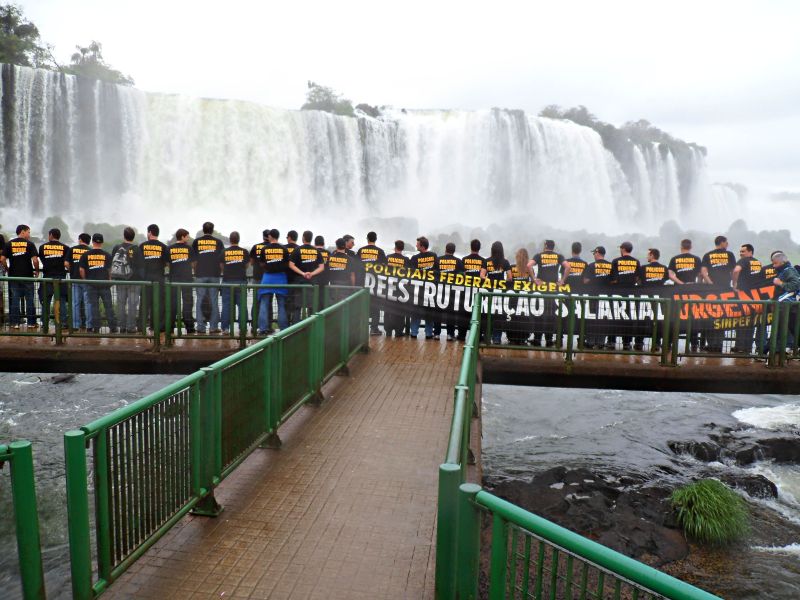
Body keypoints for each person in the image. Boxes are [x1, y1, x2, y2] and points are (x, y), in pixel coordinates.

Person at [527, 240, 568, 347]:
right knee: (550, 315)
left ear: (545, 246)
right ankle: (549, 340)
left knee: (539, 315)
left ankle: (537, 339)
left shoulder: (539, 255)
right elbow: (568, 267)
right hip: (553, 290)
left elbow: (528, 266)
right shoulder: (559, 256)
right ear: (553, 247)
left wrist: (534, 279)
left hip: (541, 290)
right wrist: (562, 280)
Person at [700, 236, 736, 352]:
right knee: (722, 315)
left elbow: (704, 273)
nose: (728, 244)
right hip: (725, 289)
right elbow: (733, 271)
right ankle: (719, 344)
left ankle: (711, 344)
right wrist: (733, 284)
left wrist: (711, 284)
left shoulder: (707, 255)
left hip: (711, 291)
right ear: (721, 243)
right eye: (726, 242)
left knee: (710, 315)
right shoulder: (729, 255)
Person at [667, 239, 702, 350]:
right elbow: (701, 275)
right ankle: (694, 344)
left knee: (674, 316)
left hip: (677, 291)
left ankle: (669, 344)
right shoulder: (696, 259)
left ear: (681, 246)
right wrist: (696, 284)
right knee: (693, 317)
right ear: (691, 246)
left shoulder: (674, 259)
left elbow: (671, 276)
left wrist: (682, 284)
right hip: (692, 291)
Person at [2, 225, 40, 328]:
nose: (29, 234)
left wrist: (7, 268)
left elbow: (2, 259)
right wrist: (37, 270)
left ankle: (15, 323)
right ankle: (31, 323)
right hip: (27, 276)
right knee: (30, 299)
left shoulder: (9, 244)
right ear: (22, 232)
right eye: (28, 232)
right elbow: (35, 260)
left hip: (14, 276)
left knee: (14, 299)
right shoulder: (30, 244)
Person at [79, 233, 117, 333]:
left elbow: (81, 270)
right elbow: (110, 271)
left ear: (92, 242)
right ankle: (112, 327)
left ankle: (96, 328)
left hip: (91, 284)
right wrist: (109, 281)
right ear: (102, 242)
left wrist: (85, 280)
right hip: (104, 285)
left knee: (94, 307)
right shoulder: (107, 255)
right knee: (108, 306)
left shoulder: (86, 255)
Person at [192, 222, 224, 334]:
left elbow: (194, 261)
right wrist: (219, 272)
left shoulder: (197, 242)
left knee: (199, 300)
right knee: (214, 301)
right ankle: (213, 327)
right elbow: (221, 262)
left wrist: (196, 272)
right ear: (213, 230)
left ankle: (200, 327)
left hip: (200, 274)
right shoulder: (218, 243)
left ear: (203, 230)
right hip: (214, 274)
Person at [731, 244, 763, 353]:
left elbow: (736, 271)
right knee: (751, 322)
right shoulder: (758, 262)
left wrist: (734, 283)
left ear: (750, 251)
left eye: (743, 251)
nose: (741, 253)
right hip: (755, 297)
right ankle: (747, 347)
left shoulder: (743, 261)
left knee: (741, 321)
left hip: (743, 295)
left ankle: (739, 347)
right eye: (740, 251)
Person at [112, 227, 144, 333]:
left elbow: (112, 264)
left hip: (120, 280)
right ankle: (131, 327)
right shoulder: (136, 249)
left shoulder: (117, 247)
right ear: (133, 237)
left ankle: (121, 326)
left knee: (120, 303)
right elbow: (140, 267)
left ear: (124, 235)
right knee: (132, 304)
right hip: (134, 281)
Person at [610, 241, 641, 350]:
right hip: (631, 295)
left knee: (613, 317)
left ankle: (611, 342)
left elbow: (612, 279)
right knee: (629, 319)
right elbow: (638, 279)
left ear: (623, 249)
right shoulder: (636, 262)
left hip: (617, 294)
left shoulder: (615, 261)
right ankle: (627, 343)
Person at [257, 229, 289, 334]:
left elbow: (261, 264)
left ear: (270, 236)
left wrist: (269, 265)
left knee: (264, 303)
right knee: (281, 304)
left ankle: (263, 328)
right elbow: (287, 263)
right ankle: (283, 329)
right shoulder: (284, 249)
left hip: (267, 278)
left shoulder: (265, 249)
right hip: (281, 278)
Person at [636, 248, 668, 351]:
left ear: (652, 255)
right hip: (659, 299)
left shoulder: (643, 268)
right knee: (658, 322)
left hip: (645, 298)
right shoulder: (664, 268)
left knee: (642, 320)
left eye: (648, 255)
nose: (647, 257)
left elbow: (638, 280)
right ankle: (657, 344)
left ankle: (639, 343)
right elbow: (666, 280)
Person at [38, 227, 70, 329]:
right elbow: (66, 263)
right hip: (60, 277)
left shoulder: (42, 247)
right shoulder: (66, 248)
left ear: (51, 235)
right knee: (61, 301)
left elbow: (42, 260)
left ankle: (44, 323)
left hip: (47, 277)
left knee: (46, 301)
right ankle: (63, 323)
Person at [139, 224, 168, 333]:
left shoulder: (142, 246)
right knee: (159, 303)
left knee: (144, 304)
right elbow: (166, 263)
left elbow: (139, 263)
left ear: (150, 233)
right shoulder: (163, 247)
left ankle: (141, 327)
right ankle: (157, 326)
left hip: (146, 279)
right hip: (159, 278)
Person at [288, 230, 324, 316]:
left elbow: (291, 265)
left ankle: (296, 327)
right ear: (311, 239)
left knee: (297, 306)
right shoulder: (316, 251)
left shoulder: (297, 250)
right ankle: (311, 327)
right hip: (312, 282)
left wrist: (302, 273)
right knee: (312, 306)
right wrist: (312, 274)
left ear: (303, 238)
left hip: (299, 282)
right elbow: (321, 267)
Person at [357, 231, 387, 335]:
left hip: (362, 283)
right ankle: (374, 329)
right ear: (376, 239)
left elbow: (356, 267)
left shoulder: (361, 251)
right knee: (375, 306)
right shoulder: (380, 251)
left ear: (367, 238)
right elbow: (386, 269)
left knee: (362, 306)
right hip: (376, 284)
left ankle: (361, 327)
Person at [583, 246, 613, 349]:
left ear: (597, 253)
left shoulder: (591, 265)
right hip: (606, 297)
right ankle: (601, 342)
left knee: (591, 319)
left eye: (594, 253)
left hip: (593, 296)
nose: (593, 255)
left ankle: (590, 342)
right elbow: (614, 281)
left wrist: (594, 279)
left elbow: (585, 281)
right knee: (603, 319)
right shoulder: (610, 265)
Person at [168, 229, 196, 334]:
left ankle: (170, 327)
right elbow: (193, 264)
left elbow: (167, 264)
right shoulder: (189, 248)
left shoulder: (169, 248)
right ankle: (189, 327)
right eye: (187, 236)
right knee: (188, 303)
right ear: (183, 237)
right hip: (187, 279)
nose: (188, 238)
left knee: (172, 303)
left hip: (173, 279)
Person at [409, 236, 438, 339]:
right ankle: (429, 334)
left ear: (422, 246)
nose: (416, 245)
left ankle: (414, 333)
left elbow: (410, 274)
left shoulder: (414, 258)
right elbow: (438, 272)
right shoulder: (434, 256)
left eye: (417, 244)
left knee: (416, 312)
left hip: (418, 290)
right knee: (429, 312)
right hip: (431, 290)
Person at [221, 232, 250, 332]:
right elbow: (247, 266)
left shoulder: (224, 252)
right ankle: (243, 328)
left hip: (227, 280)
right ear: (239, 239)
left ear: (230, 240)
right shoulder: (244, 252)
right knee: (242, 305)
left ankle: (225, 328)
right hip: (241, 281)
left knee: (226, 306)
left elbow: (222, 266)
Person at [437, 242, 464, 340]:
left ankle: (436, 333)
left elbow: (433, 274)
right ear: (454, 251)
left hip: (439, 289)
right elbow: (462, 277)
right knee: (451, 313)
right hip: (453, 291)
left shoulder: (438, 260)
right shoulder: (458, 261)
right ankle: (450, 334)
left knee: (437, 312)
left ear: (445, 249)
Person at [486, 241, 511, 344]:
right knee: (499, 315)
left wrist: (490, 281)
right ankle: (497, 338)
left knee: (488, 315)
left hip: (488, 292)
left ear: (492, 249)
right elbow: (510, 278)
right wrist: (502, 283)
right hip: (500, 293)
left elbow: (482, 276)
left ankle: (487, 337)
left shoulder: (487, 261)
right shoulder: (505, 262)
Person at [508, 248, 533, 345]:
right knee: (524, 318)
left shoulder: (512, 267)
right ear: (527, 257)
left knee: (513, 317)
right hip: (525, 298)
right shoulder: (529, 269)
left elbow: (508, 282)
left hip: (514, 298)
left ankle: (512, 337)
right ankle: (523, 337)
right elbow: (533, 282)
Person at [384, 240, 410, 337]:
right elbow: (409, 274)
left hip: (389, 288)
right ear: (402, 248)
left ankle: (388, 330)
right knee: (400, 310)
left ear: (395, 247)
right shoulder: (406, 260)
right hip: (401, 289)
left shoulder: (388, 257)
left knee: (388, 309)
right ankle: (399, 331)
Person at [67, 233, 92, 331]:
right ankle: (89, 325)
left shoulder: (72, 249)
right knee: (88, 303)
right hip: (87, 280)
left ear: (80, 239)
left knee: (75, 303)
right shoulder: (90, 251)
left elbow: (66, 263)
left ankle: (75, 325)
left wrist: (72, 271)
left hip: (75, 279)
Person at [325, 238, 356, 304]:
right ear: (345, 246)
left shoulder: (330, 258)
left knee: (333, 308)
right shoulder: (350, 259)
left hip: (332, 287)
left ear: (336, 246)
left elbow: (326, 273)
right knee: (343, 309)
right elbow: (352, 276)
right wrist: (353, 288)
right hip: (345, 288)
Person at [249, 230, 269, 333]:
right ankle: (266, 326)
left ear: (263, 236)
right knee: (267, 302)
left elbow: (251, 262)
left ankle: (254, 325)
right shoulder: (272, 247)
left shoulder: (255, 247)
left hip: (256, 277)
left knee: (256, 301)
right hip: (268, 278)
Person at [285, 230, 301, 325]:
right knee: (297, 304)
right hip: (298, 280)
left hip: (286, 279)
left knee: (286, 303)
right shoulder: (300, 249)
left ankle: (285, 327)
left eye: (287, 237)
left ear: (290, 237)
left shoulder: (283, 248)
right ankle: (296, 326)